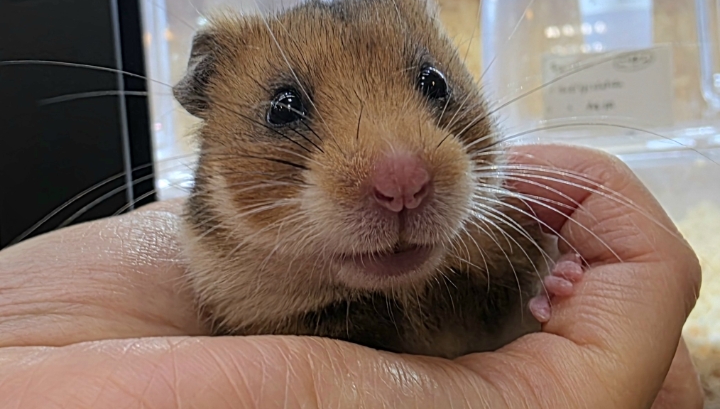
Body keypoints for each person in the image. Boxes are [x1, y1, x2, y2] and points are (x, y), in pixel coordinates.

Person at [0, 145, 703, 408]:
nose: (401, 179)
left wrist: (549, 277)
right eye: (288, 110)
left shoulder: (501, 226)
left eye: (429, 86)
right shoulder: (216, 265)